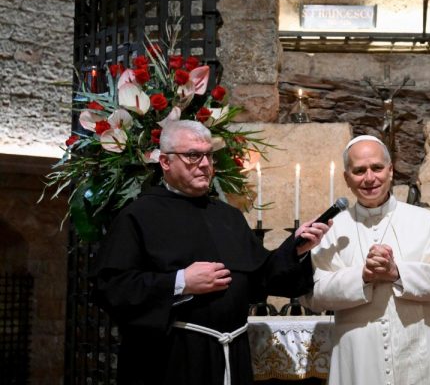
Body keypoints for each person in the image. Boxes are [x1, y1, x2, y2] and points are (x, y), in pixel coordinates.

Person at [91, 120, 330, 385]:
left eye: (209, 155)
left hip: (231, 354)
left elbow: (261, 279)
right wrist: (181, 282)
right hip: (172, 358)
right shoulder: (138, 215)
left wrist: (295, 248)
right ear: (166, 162)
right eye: (193, 155)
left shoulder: (228, 217)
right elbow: (112, 287)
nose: (205, 164)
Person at [303, 135, 430, 385]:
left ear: (390, 171)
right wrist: (363, 276)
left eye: (377, 168)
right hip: (359, 355)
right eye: (359, 170)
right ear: (346, 177)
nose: (369, 178)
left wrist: (397, 273)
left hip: (424, 348)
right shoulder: (330, 230)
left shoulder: (429, 222)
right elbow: (314, 296)